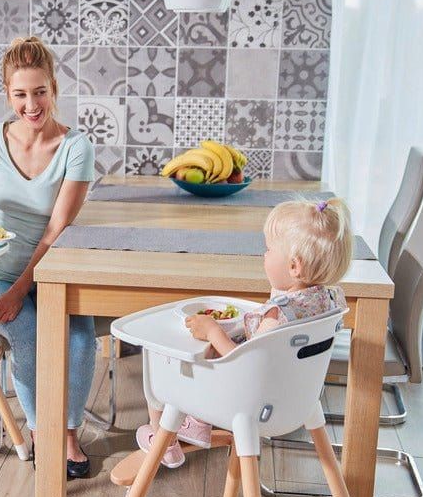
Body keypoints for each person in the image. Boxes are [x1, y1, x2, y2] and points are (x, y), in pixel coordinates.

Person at [0, 36, 97, 478]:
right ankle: (40, 430)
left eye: (40, 92)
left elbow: (56, 230)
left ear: (54, 88)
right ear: (7, 95)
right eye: (21, 94)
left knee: (82, 341)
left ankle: (68, 434)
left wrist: (21, 289)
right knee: (28, 336)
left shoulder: (76, 148)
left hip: (53, 270)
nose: (31, 104)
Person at [138, 197, 352, 469]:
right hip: (298, 399)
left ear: (294, 267)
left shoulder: (277, 316)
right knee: (214, 350)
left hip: (249, 402)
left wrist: (215, 331)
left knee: (158, 354)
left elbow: (245, 365)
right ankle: (196, 425)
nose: (264, 255)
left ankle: (164, 440)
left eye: (269, 249)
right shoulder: (328, 301)